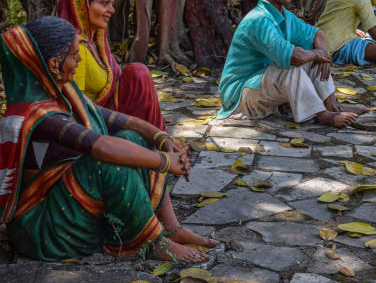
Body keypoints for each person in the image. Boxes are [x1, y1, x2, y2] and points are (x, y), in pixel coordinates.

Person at [0, 16, 217, 262]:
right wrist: (164, 161)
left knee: (134, 138)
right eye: (73, 55)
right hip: (45, 229)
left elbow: (120, 120)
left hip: (67, 205)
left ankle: (171, 227)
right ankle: (152, 243)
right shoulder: (38, 114)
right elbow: (100, 146)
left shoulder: (63, 94)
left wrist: (160, 138)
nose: (79, 60)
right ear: (53, 64)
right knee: (108, 161)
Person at [217, 0, 368, 128]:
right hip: (239, 96)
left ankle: (333, 106)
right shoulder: (258, 20)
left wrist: (323, 56)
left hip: (261, 84)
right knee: (291, 67)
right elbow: (291, 58)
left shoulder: (285, 16)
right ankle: (322, 115)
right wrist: (317, 54)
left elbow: (317, 34)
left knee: (314, 61)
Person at [57, 0, 166, 130]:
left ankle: (156, 137)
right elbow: (75, 105)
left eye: (112, 4)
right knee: (138, 71)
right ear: (83, 5)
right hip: (97, 122)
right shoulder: (76, 49)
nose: (112, 10)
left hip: (111, 114)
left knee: (137, 72)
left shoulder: (96, 44)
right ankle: (154, 138)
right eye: (104, 3)